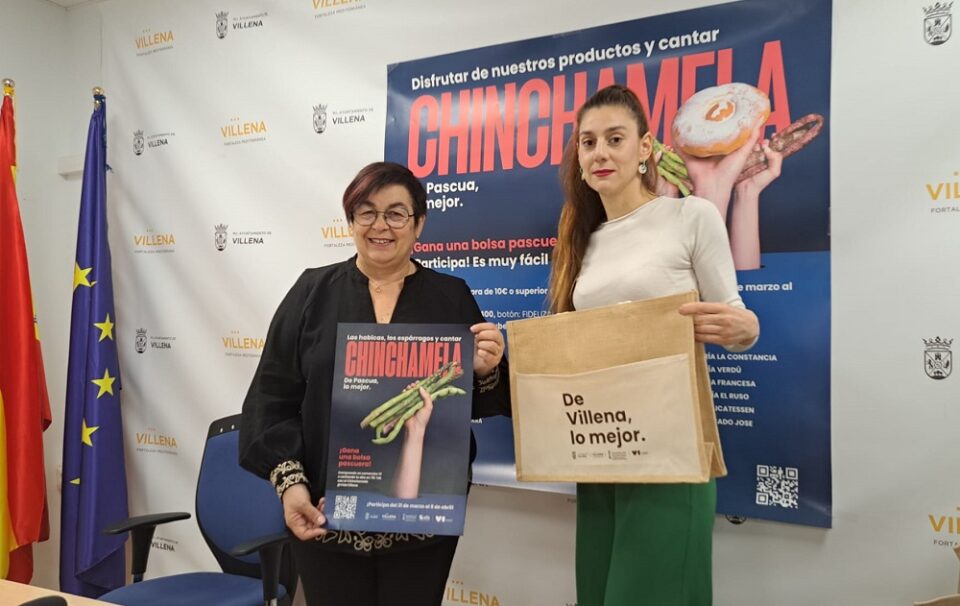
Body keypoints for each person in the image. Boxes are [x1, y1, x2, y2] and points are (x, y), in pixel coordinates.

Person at [239, 161, 510, 606]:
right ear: (350, 221)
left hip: (422, 524)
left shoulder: (451, 296)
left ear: (418, 224)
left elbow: (472, 401)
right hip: (326, 516)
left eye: (396, 213)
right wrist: (291, 485)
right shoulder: (311, 292)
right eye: (367, 212)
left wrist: (486, 368)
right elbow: (271, 398)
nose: (380, 225)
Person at [548, 84, 760, 606]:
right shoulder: (581, 239)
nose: (600, 153)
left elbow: (735, 316)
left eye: (615, 139)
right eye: (588, 142)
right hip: (600, 443)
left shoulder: (691, 216)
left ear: (645, 148)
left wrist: (745, 328)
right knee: (598, 593)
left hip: (671, 444)